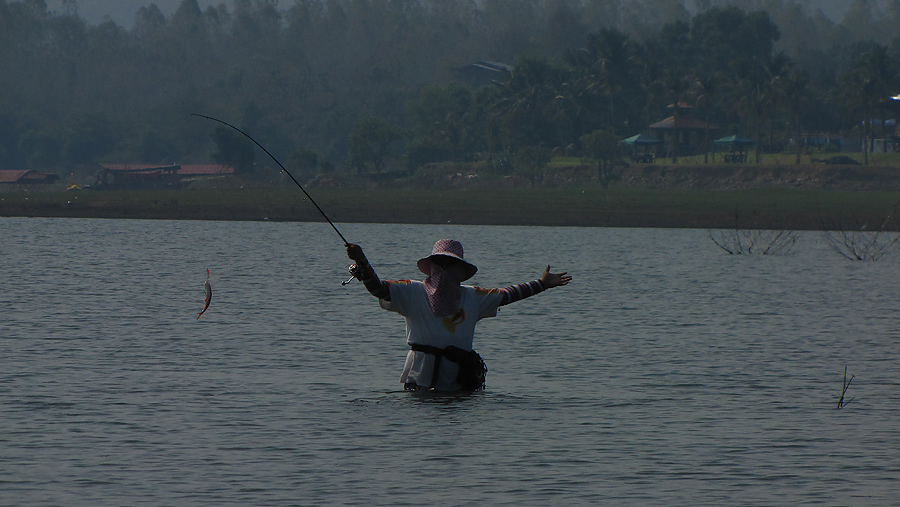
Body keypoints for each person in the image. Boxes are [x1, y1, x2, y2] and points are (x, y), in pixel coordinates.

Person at [345, 239, 572, 392]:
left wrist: (542, 284)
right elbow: (379, 289)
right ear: (432, 265)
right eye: (440, 263)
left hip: (458, 379)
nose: (444, 270)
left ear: (460, 270)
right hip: (420, 376)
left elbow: (507, 295)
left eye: (450, 264)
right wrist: (362, 261)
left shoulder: (473, 297)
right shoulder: (410, 291)